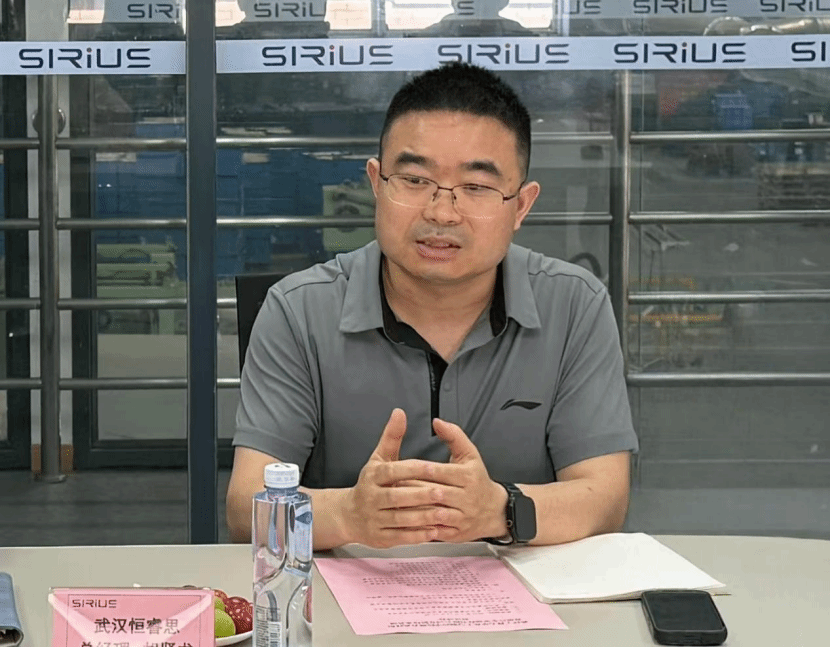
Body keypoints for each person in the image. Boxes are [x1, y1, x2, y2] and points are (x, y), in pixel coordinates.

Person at [226, 62, 638, 550]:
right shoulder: (297, 311)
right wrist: (350, 515)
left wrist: (499, 509)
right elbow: (246, 507)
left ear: (521, 206)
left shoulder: (574, 305)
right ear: (376, 183)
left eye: (476, 187)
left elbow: (604, 497)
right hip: (346, 591)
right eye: (415, 179)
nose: (441, 213)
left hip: (522, 591)